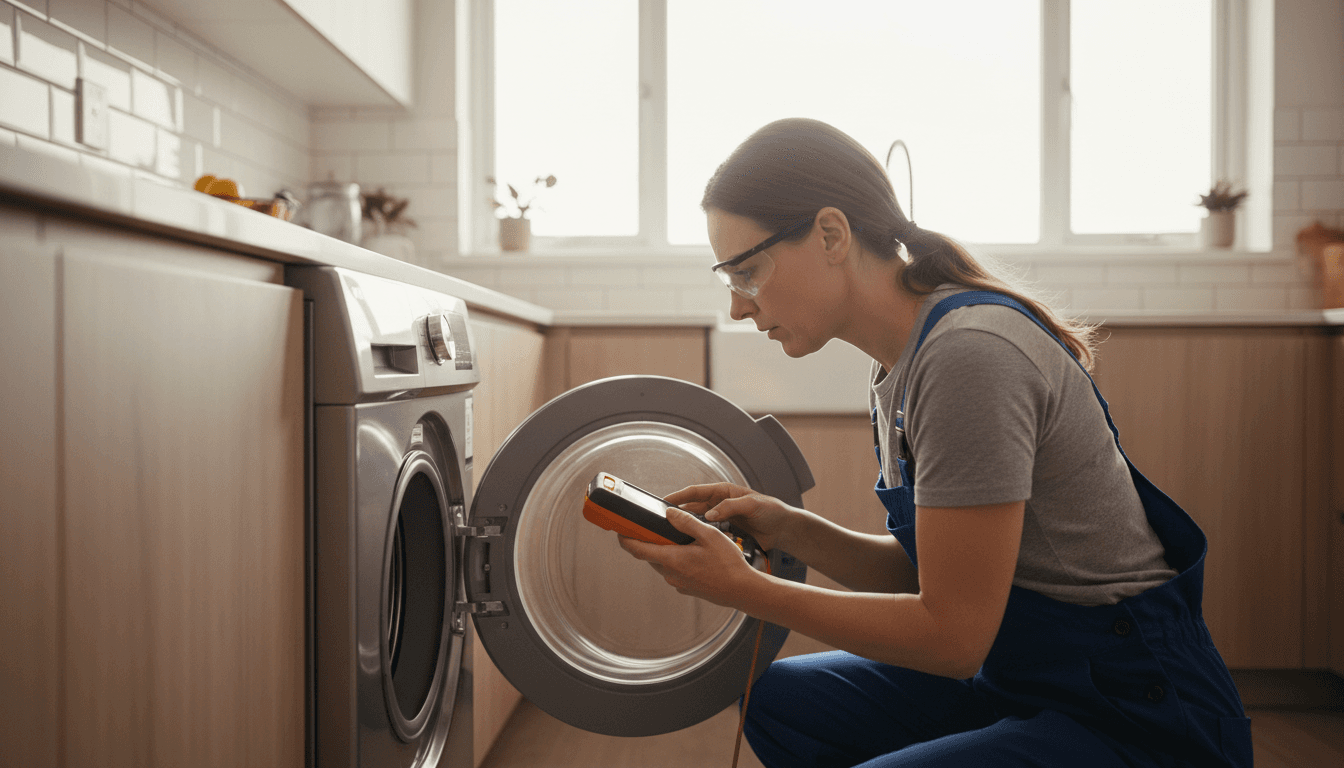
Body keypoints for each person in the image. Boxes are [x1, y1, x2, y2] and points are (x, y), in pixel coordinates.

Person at [616, 118, 1253, 767]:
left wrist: (743, 588)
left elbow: (952, 636)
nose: (738, 308)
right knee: (776, 698)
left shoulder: (968, 357)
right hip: (1020, 676)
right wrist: (789, 529)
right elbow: (937, 576)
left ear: (831, 234)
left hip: (1136, 712)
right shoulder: (897, 370)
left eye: (747, 271)